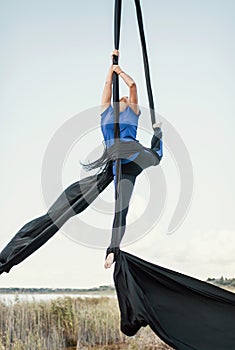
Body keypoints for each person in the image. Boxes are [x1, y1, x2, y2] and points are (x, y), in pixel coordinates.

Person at [99, 50, 163, 269]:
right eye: (122, 98)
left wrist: (120, 70)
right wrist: (111, 65)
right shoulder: (106, 112)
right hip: (120, 166)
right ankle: (112, 252)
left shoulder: (132, 113)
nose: (124, 98)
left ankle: (157, 143)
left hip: (134, 155)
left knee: (154, 157)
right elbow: (108, 85)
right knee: (121, 208)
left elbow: (133, 86)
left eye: (126, 98)